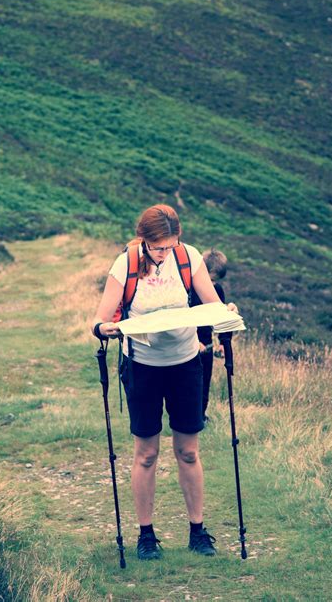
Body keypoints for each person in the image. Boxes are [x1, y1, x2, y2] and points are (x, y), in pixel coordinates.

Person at [91, 204, 238, 561]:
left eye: (170, 246)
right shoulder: (125, 264)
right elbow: (98, 320)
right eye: (158, 248)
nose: (165, 253)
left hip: (186, 363)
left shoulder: (187, 258)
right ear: (144, 240)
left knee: (188, 451)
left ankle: (197, 532)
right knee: (146, 454)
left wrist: (226, 312)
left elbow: (212, 304)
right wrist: (105, 329)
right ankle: (146, 535)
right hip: (142, 365)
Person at [191, 248, 228, 425]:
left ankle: (201, 416)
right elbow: (183, 317)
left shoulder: (217, 291)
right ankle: (188, 416)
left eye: (216, 281)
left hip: (206, 343)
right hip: (188, 343)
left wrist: (223, 342)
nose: (212, 285)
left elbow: (221, 317)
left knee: (205, 381)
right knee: (190, 383)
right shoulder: (190, 290)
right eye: (210, 280)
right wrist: (192, 340)